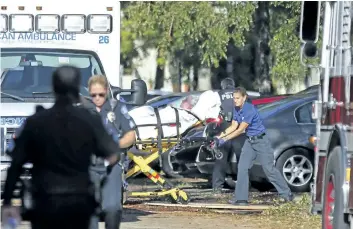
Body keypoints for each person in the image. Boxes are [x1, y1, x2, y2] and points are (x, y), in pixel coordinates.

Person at [1, 65, 121, 229]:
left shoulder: (36, 121)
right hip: (79, 202)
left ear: (54, 87)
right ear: (78, 87)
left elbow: (15, 164)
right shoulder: (89, 120)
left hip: (44, 202)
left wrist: (8, 201)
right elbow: (113, 154)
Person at [216, 87, 293, 206]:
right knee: (242, 167)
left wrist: (225, 139)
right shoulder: (236, 109)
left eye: (237, 98)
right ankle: (241, 199)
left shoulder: (249, 109)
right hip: (249, 142)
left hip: (261, 141)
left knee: (269, 170)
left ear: (244, 98)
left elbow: (241, 129)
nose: (235, 101)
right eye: (234, 98)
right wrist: (219, 137)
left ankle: (286, 194)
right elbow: (233, 126)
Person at [88, 75, 136, 229]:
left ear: (106, 92)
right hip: (88, 166)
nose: (97, 98)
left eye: (100, 95)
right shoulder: (82, 110)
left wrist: (115, 145)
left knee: (113, 208)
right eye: (93, 95)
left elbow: (131, 136)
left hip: (112, 164)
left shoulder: (117, 108)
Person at [212, 77, 237, 193]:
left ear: (223, 86)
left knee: (221, 160)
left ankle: (217, 187)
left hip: (224, 129)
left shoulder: (218, 95)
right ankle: (245, 185)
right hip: (239, 129)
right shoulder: (240, 93)